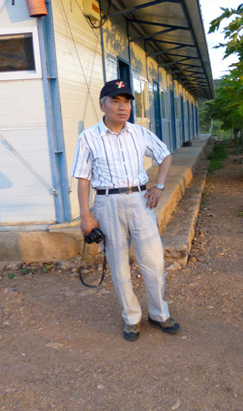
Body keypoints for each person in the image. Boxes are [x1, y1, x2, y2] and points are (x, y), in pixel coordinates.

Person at [71, 79, 180, 342]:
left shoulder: (140, 133)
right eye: (116, 101)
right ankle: (131, 318)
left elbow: (165, 155)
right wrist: (86, 216)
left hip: (140, 201)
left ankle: (159, 313)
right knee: (119, 265)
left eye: (127, 102)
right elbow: (83, 178)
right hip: (107, 204)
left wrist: (159, 186)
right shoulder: (88, 138)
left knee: (153, 261)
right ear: (102, 105)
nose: (123, 107)